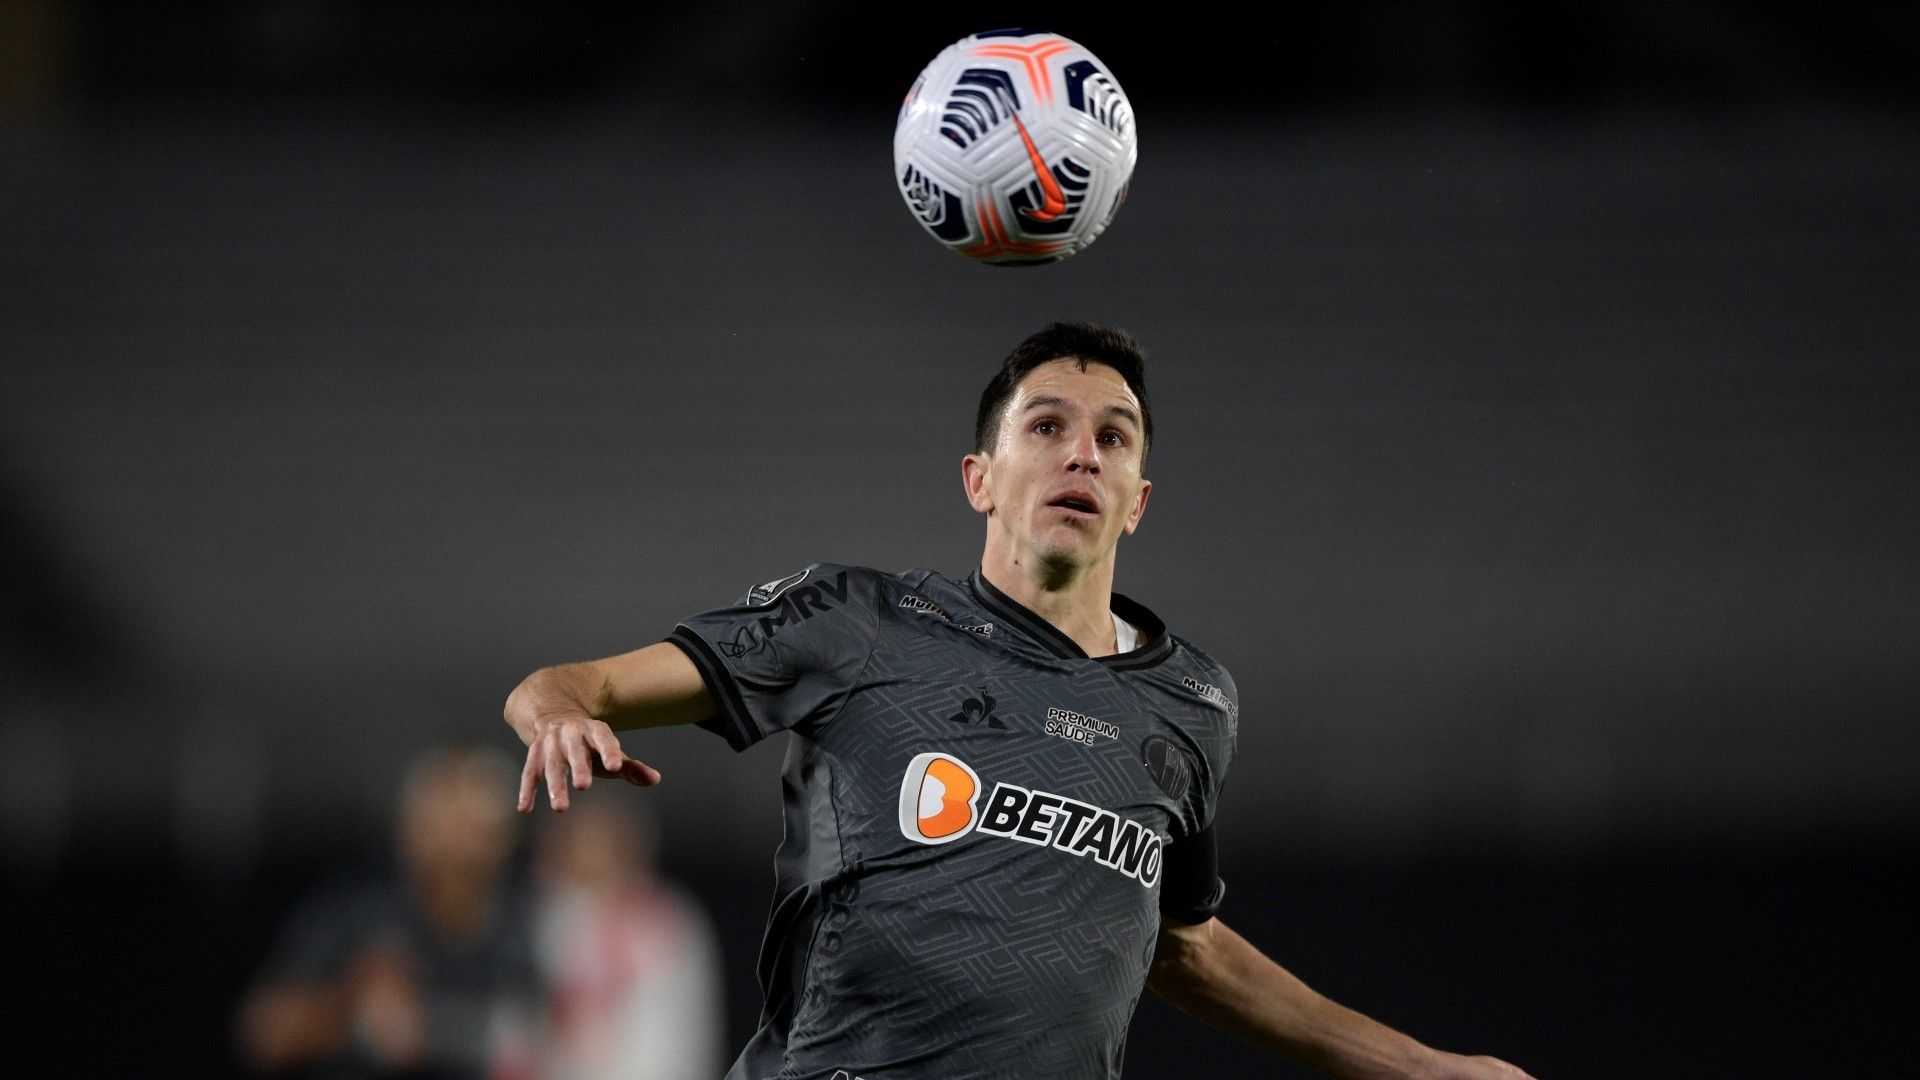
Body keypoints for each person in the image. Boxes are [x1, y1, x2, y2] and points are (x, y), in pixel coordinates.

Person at [503, 322, 1534, 1080]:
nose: (1082, 451)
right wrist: (555, 711)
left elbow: (1179, 944)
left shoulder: (1192, 704)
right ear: (980, 478)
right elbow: (570, 684)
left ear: (1137, 498)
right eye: (1046, 426)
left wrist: (1417, 1066)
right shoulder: (861, 620)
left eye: (1115, 438)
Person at [236, 745, 543, 1080]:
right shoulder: (356, 912)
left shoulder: (530, 925)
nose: (455, 842)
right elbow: (264, 1033)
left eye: (473, 825)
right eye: (442, 821)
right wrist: (348, 1005)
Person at [530, 794, 726, 1080]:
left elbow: (674, 1046)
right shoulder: (541, 918)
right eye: (577, 840)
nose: (591, 853)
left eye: (604, 841)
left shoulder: (667, 923)